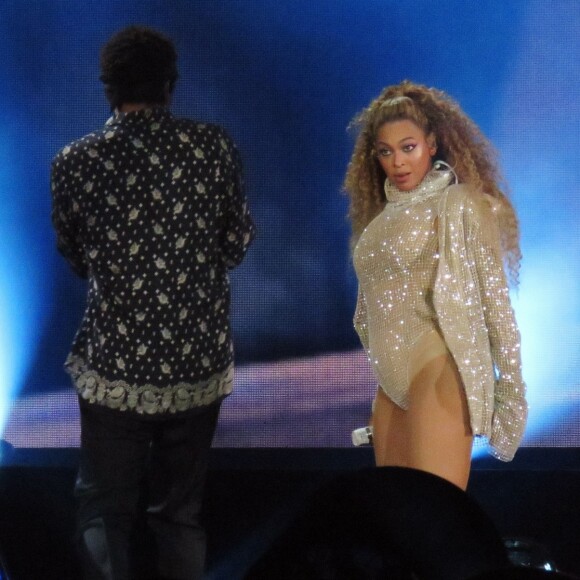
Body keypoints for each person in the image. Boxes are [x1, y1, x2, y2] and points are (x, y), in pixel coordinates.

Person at [51, 26, 254, 579]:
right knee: (180, 517)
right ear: (170, 85)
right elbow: (235, 245)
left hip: (114, 366)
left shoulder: (75, 161)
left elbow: (76, 256)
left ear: (108, 90)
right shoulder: (213, 147)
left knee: (103, 512)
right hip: (197, 367)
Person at [344, 80, 527, 490]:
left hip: (436, 368)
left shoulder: (459, 203)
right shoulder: (380, 221)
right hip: (389, 384)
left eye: (408, 147)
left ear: (431, 143)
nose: (398, 162)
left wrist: (510, 392)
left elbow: (495, 303)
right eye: (385, 151)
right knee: (394, 520)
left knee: (436, 517)